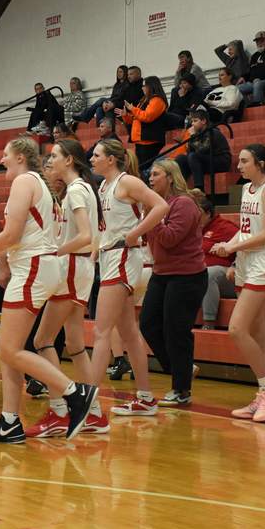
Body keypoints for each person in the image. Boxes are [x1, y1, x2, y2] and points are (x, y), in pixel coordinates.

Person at [0, 137, 98, 443]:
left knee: (10, 349)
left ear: (21, 157)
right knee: (10, 349)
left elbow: (11, 235)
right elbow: (24, 235)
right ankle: (10, 422)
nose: (2, 158)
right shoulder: (40, 184)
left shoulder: (24, 181)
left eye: (6, 153)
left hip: (33, 269)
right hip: (42, 266)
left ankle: (74, 392)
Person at [25, 139, 104, 437]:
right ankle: (94, 414)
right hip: (81, 268)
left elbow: (85, 235)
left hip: (72, 266)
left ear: (69, 160)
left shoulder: (76, 190)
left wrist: (54, 251)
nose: (51, 160)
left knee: (42, 340)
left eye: (55, 156)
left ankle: (59, 410)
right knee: (75, 345)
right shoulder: (81, 188)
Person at [89, 139, 168, 418]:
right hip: (110, 256)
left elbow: (160, 207)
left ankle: (89, 404)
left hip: (124, 257)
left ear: (111, 159)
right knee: (129, 333)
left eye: (97, 155)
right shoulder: (103, 186)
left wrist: (136, 234)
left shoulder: (128, 182)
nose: (92, 159)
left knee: (101, 332)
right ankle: (145, 397)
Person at [212, 144, 265, 422]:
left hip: (264, 260)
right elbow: (246, 230)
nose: (239, 166)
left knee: (236, 328)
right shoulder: (247, 189)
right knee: (257, 334)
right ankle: (264, 395)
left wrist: (233, 248)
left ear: (260, 163)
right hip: (246, 260)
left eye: (244, 161)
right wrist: (229, 247)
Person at [139, 159, 208, 406]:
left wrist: (154, 217)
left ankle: (181, 389)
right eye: (150, 174)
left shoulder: (184, 204)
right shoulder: (156, 206)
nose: (150, 178)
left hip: (187, 275)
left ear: (170, 177)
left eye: (156, 174)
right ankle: (183, 369)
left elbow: (169, 239)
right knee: (148, 324)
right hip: (162, 273)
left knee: (176, 331)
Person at [192, 190, 238, 329]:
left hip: (228, 276)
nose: (194, 217)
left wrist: (235, 265)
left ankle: (209, 323)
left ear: (208, 213)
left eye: (197, 213)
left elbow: (246, 247)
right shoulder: (192, 229)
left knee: (209, 274)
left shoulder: (226, 228)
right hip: (195, 276)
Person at [175, 109, 232, 190]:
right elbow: (190, 152)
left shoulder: (213, 132)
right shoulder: (198, 134)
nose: (192, 124)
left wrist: (192, 137)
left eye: (195, 121)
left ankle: (199, 189)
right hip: (206, 160)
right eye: (192, 121)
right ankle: (180, 188)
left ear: (204, 121)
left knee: (193, 156)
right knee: (181, 158)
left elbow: (203, 149)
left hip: (221, 161)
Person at [120, 75, 169, 168]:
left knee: (144, 168)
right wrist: (125, 115)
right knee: (140, 168)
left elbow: (147, 116)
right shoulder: (143, 100)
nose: (142, 88)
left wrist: (132, 109)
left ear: (151, 86)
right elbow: (135, 119)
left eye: (144, 86)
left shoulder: (157, 100)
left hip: (150, 141)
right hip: (140, 141)